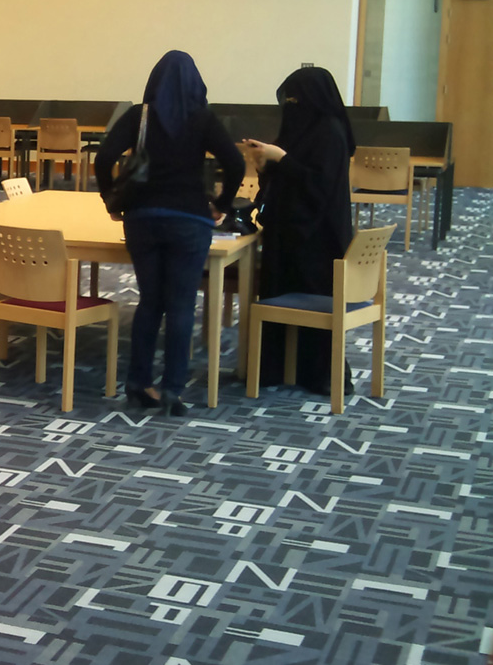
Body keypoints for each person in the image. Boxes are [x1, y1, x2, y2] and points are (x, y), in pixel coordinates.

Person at [96, 50, 245, 416]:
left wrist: (110, 199)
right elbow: (235, 163)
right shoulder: (203, 118)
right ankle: (173, 390)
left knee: (150, 301)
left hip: (142, 218)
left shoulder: (139, 116)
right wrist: (222, 204)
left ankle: (138, 383)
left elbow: (103, 158)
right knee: (180, 305)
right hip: (189, 220)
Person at [242, 66, 356, 396]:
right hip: (288, 231)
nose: (292, 107)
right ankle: (276, 369)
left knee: (312, 301)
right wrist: (265, 166)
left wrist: (282, 157)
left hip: (320, 236)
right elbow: (284, 183)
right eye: (288, 101)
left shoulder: (330, 133)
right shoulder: (300, 130)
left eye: (296, 100)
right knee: (278, 293)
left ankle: (320, 374)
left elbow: (318, 186)